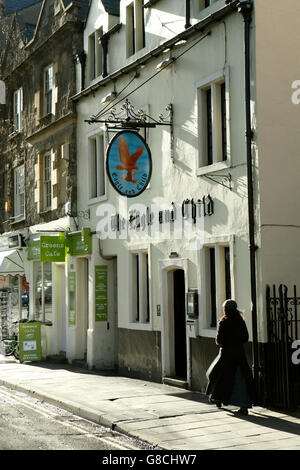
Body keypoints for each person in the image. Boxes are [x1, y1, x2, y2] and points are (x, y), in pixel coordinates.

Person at [206, 299, 256, 415]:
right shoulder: (241, 322)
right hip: (239, 355)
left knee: (216, 375)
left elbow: (219, 341)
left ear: (225, 310)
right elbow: (245, 338)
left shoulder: (223, 323)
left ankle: (217, 398)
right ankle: (244, 406)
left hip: (226, 356)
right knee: (241, 379)